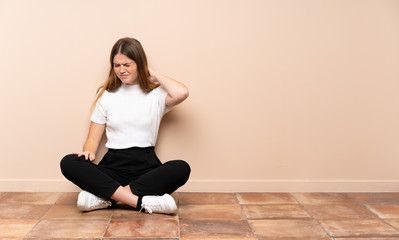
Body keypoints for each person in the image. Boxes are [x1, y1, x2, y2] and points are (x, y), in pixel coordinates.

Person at [60, 37, 190, 215]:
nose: (121, 70)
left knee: (181, 168)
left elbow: (182, 93)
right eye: (116, 65)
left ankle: (105, 199)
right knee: (69, 162)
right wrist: (88, 151)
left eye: (127, 64)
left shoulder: (155, 94)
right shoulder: (105, 94)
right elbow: (92, 139)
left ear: (140, 64)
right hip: (113, 166)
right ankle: (141, 202)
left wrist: (153, 74)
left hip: (147, 167)